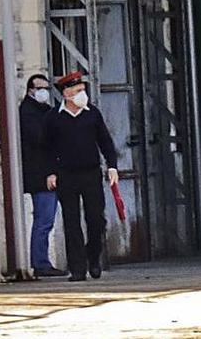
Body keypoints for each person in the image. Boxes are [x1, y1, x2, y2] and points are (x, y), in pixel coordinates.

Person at [43, 71, 120, 282]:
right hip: (66, 175)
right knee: (71, 221)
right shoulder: (53, 118)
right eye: (77, 91)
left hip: (91, 173)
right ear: (66, 94)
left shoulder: (91, 114)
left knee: (96, 219)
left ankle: (93, 257)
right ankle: (77, 268)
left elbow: (105, 141)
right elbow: (47, 148)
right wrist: (50, 172)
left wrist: (112, 166)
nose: (81, 94)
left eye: (83, 90)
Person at [19, 74, 67, 277]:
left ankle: (43, 262)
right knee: (44, 220)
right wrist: (50, 171)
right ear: (31, 89)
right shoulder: (28, 113)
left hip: (50, 172)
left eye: (47, 87)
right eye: (40, 87)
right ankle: (40, 262)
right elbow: (42, 142)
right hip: (41, 175)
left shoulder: (45, 111)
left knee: (47, 220)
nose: (44, 91)